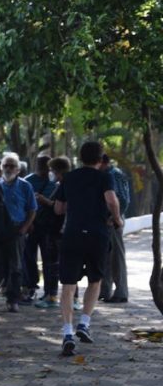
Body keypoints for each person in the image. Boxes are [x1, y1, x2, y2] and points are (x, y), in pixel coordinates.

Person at [54, 141, 123, 356]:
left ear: (80, 157)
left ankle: (67, 333)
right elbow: (111, 199)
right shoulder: (105, 176)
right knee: (95, 279)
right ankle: (84, 323)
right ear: (101, 159)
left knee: (68, 284)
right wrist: (117, 219)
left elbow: (58, 208)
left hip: (72, 234)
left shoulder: (69, 177)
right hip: (97, 234)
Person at [0, 152, 37, 312]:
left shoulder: (25, 186)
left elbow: (32, 209)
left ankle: (13, 299)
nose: (9, 169)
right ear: (1, 168)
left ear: (18, 169)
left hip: (17, 229)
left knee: (15, 266)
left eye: (12, 166)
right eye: (6, 166)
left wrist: (24, 227)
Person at [33, 157, 70, 309]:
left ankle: (53, 295)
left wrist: (44, 201)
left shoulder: (65, 184)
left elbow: (60, 207)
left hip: (58, 229)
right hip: (55, 228)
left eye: (53, 171)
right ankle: (51, 294)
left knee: (54, 264)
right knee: (53, 263)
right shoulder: (62, 184)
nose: (51, 173)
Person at [23, 155, 57, 304]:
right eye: (41, 166)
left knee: (48, 258)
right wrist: (27, 223)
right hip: (31, 225)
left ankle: (50, 291)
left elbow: (57, 204)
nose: (44, 169)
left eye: (46, 166)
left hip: (48, 225)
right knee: (28, 256)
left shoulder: (53, 182)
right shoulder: (27, 181)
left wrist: (45, 201)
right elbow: (23, 203)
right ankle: (30, 285)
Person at [98, 154, 130, 303]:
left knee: (116, 256)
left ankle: (121, 291)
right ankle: (105, 289)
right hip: (104, 220)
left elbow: (123, 199)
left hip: (113, 220)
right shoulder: (105, 175)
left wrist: (115, 217)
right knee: (105, 256)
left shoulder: (114, 174)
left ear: (103, 162)